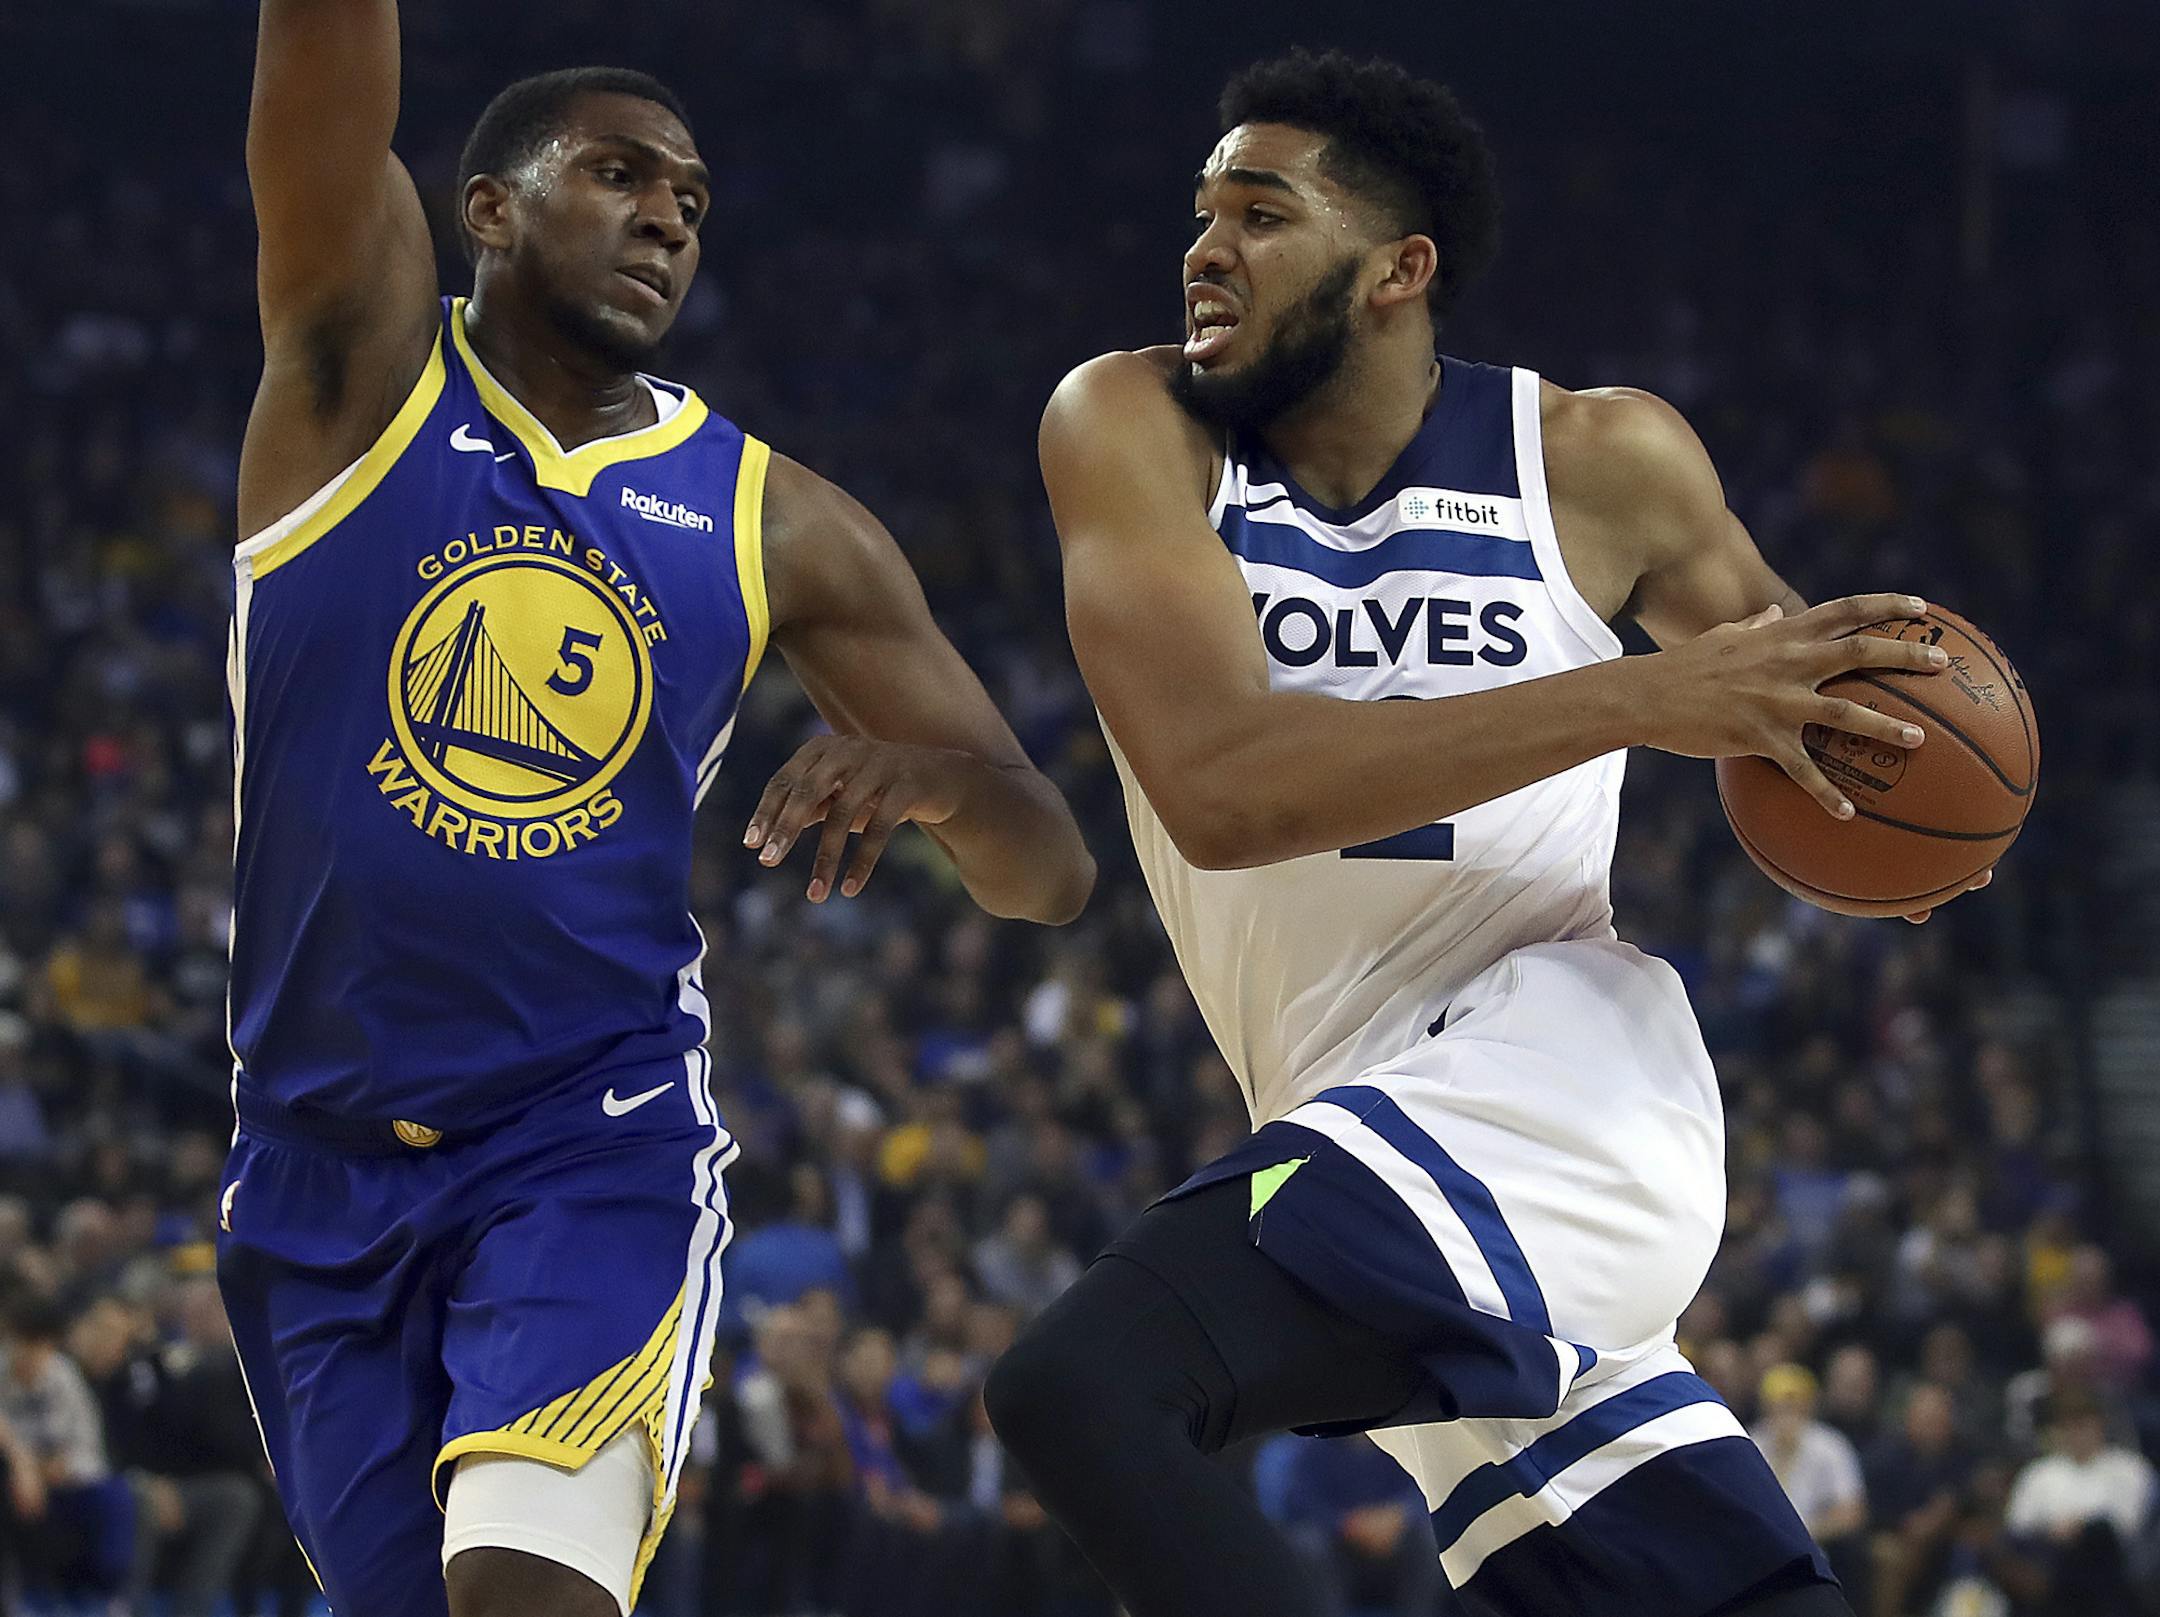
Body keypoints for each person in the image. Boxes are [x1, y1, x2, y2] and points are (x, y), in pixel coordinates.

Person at [987, 47, 1989, 1617]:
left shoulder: (1599, 462)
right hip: (1362, 1120)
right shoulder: (1131, 425)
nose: (1205, 247)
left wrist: (1919, 825)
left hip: (1554, 1081)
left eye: (1260, 211)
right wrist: (1634, 697)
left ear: (1400, 269)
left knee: (1083, 1388)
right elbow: (1224, 788)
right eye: (1200, 212)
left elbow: (1821, 723)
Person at [219, 9, 1095, 1617]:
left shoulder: (783, 519)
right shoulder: (357, 377)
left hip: (586, 1135)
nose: (668, 216)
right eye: (619, 175)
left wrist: (948, 781)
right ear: (485, 207)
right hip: (308, 1162)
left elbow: (1051, 869)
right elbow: (323, 73)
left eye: (690, 198)